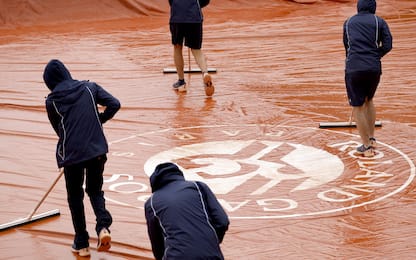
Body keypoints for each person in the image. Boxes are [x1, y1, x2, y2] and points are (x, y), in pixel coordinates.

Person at [43, 59, 121, 257]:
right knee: (95, 190)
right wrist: (99, 120)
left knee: (75, 197)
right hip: (96, 150)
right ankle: (103, 227)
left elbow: (60, 131)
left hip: (73, 154)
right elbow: (114, 104)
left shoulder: (52, 102)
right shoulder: (89, 88)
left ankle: (82, 243)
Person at [145, 162, 229, 259]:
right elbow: (222, 221)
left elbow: (157, 243)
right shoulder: (198, 186)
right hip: (210, 255)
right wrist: (208, 243)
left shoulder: (151, 203)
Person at [343, 0, 392, 157]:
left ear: (358, 6)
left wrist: (353, 60)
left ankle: (366, 147)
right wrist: (374, 56)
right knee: (369, 100)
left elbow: (347, 45)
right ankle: (371, 139)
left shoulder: (348, 22)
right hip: (373, 68)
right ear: (374, 7)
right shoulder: (380, 21)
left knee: (358, 106)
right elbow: (388, 44)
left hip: (354, 67)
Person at [168, 0, 215, 96]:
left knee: (177, 47)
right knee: (196, 50)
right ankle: (205, 73)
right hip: (194, 17)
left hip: (178, 16)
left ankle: (181, 82)